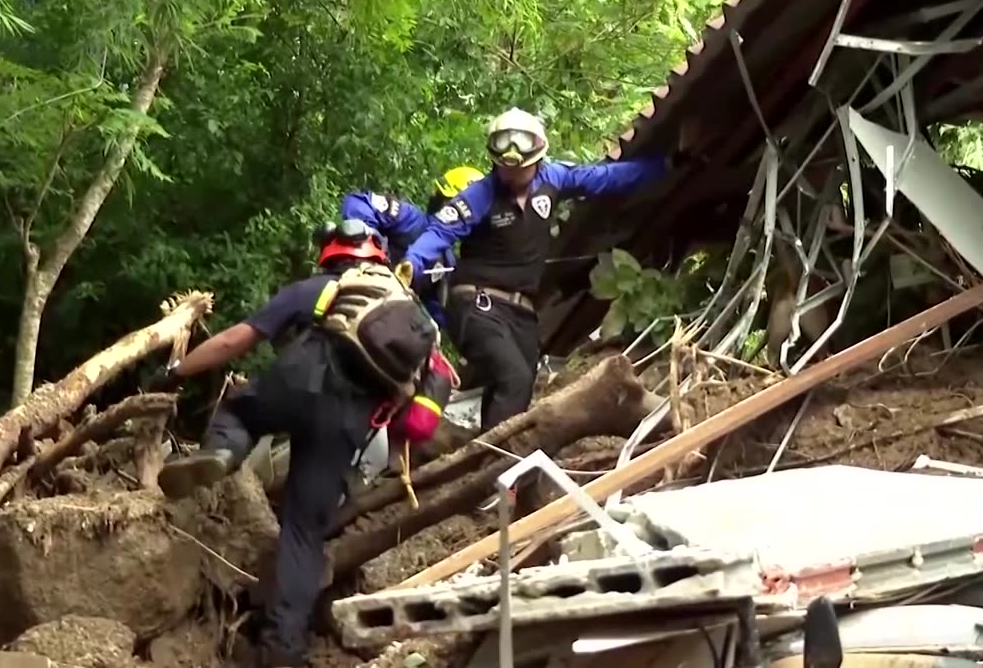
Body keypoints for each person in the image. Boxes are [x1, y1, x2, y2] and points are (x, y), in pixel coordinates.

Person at [150, 220, 454, 668]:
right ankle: (282, 650)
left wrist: (175, 371)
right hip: (349, 420)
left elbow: (238, 339)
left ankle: (224, 450)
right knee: (303, 532)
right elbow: (424, 401)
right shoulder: (416, 318)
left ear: (332, 253)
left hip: (300, 379)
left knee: (241, 411)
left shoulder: (323, 289)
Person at [401, 107, 688, 430]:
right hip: (477, 304)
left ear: (537, 159)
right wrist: (412, 262)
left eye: (521, 169)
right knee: (512, 375)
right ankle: (495, 465)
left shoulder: (553, 179)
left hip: (520, 311)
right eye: (504, 169)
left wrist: (664, 166)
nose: (512, 176)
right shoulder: (479, 195)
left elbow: (605, 178)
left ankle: (491, 454)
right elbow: (440, 232)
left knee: (520, 386)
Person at [341, 166, 485, 328]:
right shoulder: (409, 219)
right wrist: (372, 247)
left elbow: (435, 312)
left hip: (388, 320)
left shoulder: (447, 264)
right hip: (357, 288)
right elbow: (358, 202)